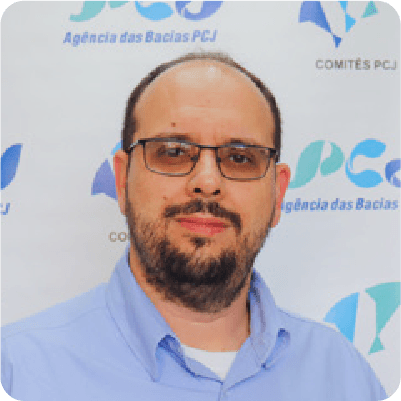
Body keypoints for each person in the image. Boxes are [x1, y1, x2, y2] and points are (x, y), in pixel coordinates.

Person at [0, 52, 387, 401]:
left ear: (278, 193)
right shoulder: (19, 371)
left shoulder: (344, 377)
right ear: (121, 182)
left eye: (240, 157)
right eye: (172, 152)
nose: (207, 181)